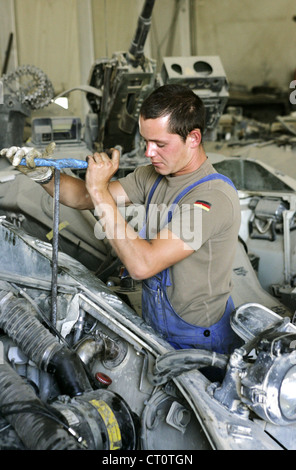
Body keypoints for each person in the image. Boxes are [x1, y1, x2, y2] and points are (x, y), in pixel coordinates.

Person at [0, 84, 241, 354]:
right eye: (146, 141)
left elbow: (142, 265)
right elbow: (82, 197)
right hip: (157, 326)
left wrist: (100, 189)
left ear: (193, 138)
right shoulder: (151, 175)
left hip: (201, 339)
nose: (149, 153)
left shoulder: (211, 198)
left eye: (160, 144)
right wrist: (42, 175)